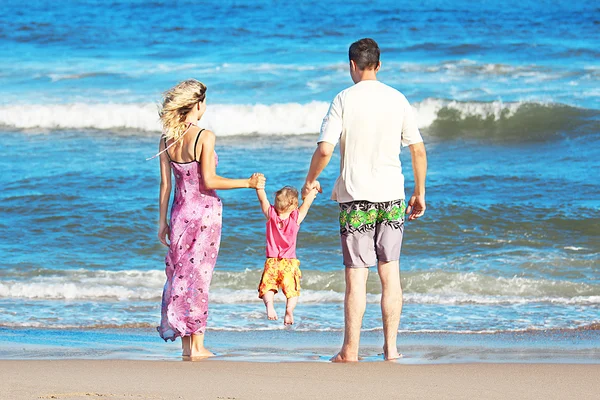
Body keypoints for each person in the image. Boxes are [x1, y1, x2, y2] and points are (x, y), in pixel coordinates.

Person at [301, 38, 428, 361]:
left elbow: (326, 149)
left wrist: (310, 180)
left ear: (352, 66)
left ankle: (351, 349)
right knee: (390, 273)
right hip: (392, 197)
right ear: (379, 65)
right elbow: (417, 149)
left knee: (357, 277)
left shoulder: (344, 99)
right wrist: (419, 191)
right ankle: (392, 348)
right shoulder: (397, 99)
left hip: (356, 198)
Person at [154, 79, 266, 358]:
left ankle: (185, 344)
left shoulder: (167, 140)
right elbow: (209, 179)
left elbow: (165, 186)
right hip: (204, 216)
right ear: (198, 105)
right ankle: (199, 346)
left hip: (179, 214)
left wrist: (161, 221)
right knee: (200, 278)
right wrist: (248, 183)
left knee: (180, 276)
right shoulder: (205, 136)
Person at [255, 185, 318, 325]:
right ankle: (289, 310)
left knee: (267, 287)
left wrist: (259, 187)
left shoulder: (271, 214)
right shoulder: (295, 218)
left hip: (272, 261)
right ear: (295, 205)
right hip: (289, 263)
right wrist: (313, 190)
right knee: (292, 291)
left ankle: (269, 306)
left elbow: (262, 200)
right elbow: (307, 204)